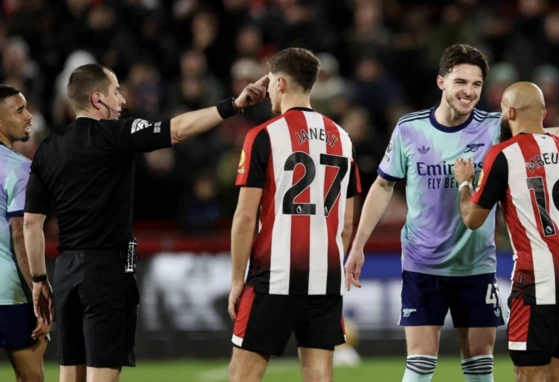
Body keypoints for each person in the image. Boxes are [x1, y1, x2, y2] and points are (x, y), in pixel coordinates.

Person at [344, 44, 559, 382]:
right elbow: (382, 186)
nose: (469, 92)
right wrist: (358, 245)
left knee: (480, 365)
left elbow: (540, 134)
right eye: (461, 82)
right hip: (422, 261)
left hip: (475, 263)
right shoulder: (409, 128)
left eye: (476, 84)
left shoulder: (492, 127)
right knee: (421, 363)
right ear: (442, 82)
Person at [22, 63, 268, 382]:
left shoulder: (47, 150)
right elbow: (177, 130)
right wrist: (233, 105)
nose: (122, 101)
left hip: (66, 273)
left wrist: (40, 279)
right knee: (102, 374)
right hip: (107, 271)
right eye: (117, 92)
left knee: (70, 375)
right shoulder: (116, 134)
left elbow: (31, 224)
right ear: (98, 99)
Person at [227, 47, 361, 382]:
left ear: (282, 83)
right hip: (325, 278)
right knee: (319, 377)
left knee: (242, 376)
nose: (268, 89)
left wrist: (236, 280)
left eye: (270, 81)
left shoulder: (263, 135)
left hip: (275, 274)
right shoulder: (343, 139)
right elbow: (346, 224)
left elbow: (245, 218)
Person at [454, 81, 559, 382]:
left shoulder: (504, 154)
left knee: (528, 374)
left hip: (538, 275)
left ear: (509, 112)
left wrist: (465, 183)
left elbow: (472, 219)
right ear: (544, 112)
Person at [0, 85, 50, 381]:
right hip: (10, 293)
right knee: (31, 378)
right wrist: (38, 288)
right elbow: (21, 234)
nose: (29, 116)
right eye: (19, 110)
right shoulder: (19, 168)